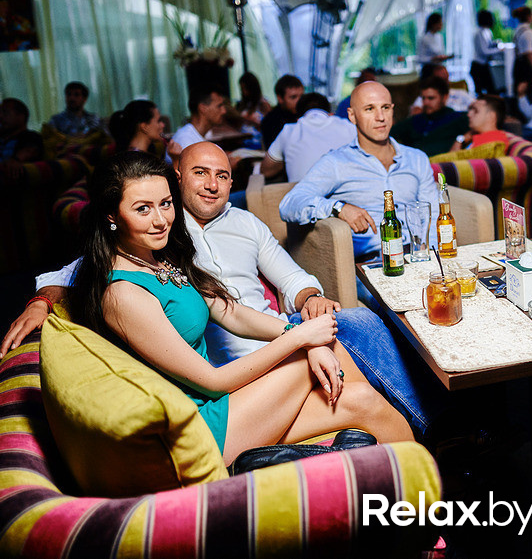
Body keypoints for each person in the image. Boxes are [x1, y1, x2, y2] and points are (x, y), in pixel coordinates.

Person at [2, 142, 436, 437]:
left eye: (163, 205)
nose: (159, 219)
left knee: (358, 385)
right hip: (206, 416)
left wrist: (306, 316)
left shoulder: (167, 252)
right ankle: (434, 426)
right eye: (143, 209)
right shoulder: (124, 281)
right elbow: (64, 276)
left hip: (245, 374)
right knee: (332, 347)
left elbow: (234, 308)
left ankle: (422, 516)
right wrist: (42, 301)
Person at [279, 81, 440, 259]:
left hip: (416, 257)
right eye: (369, 109)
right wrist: (338, 208)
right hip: (371, 264)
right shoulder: (337, 162)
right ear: (352, 115)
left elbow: (432, 215)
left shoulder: (416, 159)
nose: (381, 117)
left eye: (385, 107)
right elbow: (289, 204)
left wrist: (432, 260)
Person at [261, 93, 357, 182]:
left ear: (298, 118)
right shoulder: (350, 127)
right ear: (331, 114)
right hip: (347, 198)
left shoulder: (289, 130)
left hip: (303, 198)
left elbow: (266, 171)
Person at [391, 76, 469, 156]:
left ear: (445, 97)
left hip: (440, 164)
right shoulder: (415, 120)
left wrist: (461, 140)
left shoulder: (457, 118)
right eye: (423, 98)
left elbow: (478, 127)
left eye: (431, 98)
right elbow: (391, 132)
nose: (426, 103)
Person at [166, 86, 228, 163]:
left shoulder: (196, 136)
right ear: (203, 108)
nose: (224, 111)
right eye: (219, 106)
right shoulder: (186, 140)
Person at [109, 99, 182, 158]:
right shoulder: (136, 159)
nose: (163, 125)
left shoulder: (139, 155)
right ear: (144, 126)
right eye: (158, 121)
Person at [408, 64, 475, 115]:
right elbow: (415, 115)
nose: (445, 82)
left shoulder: (460, 93)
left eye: (446, 79)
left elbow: (477, 106)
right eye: (441, 80)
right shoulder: (426, 96)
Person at [0, 98, 42, 179]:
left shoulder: (31, 136)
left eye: (5, 112)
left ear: (21, 116)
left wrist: (15, 160)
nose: (0, 116)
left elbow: (29, 150)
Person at [260, 75, 304, 149]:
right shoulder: (270, 121)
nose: (299, 101)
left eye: (301, 96)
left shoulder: (306, 114)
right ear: (280, 98)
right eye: (293, 97)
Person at [471, 10, 502, 95]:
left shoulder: (487, 32)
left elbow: (488, 45)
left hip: (483, 65)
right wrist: (499, 50)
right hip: (478, 66)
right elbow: (484, 51)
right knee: (486, 91)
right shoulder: (479, 33)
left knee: (491, 90)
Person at [512, 5, 532, 104]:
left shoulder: (518, 29)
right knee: (529, 95)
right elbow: (528, 53)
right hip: (525, 68)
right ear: (528, 16)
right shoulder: (527, 31)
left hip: (519, 66)